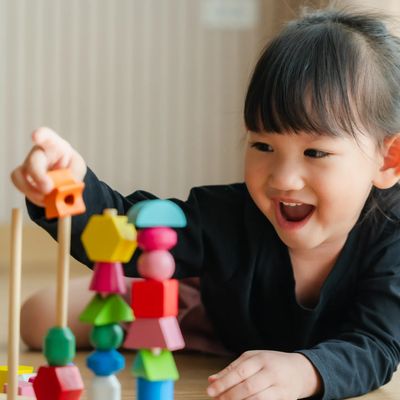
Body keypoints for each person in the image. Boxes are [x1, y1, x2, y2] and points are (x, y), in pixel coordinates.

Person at [11, 6, 400, 400]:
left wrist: (306, 371)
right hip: (215, 310)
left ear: (387, 160)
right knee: (38, 317)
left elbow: (377, 344)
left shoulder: (393, 236)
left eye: (315, 152)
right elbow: (129, 231)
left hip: (316, 345)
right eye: (263, 145)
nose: (282, 178)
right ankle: (184, 303)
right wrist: (69, 186)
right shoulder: (229, 214)